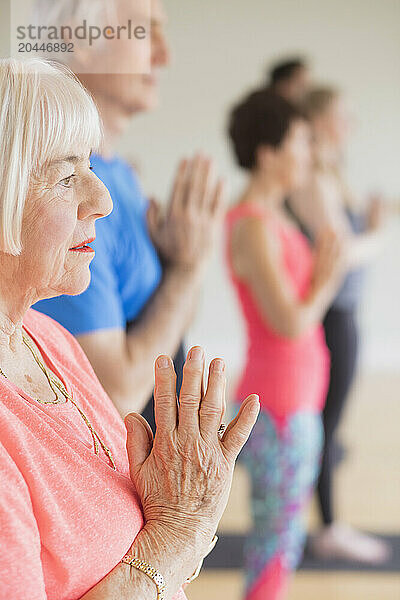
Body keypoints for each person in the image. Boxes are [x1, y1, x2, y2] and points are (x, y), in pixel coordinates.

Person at [0, 57, 260, 600]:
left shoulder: (49, 339)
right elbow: (159, 553)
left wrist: (172, 508)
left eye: (91, 167)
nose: (103, 200)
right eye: (66, 175)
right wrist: (177, 534)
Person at [33, 0, 222, 430]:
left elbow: (173, 325)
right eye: (145, 30)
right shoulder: (58, 193)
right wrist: (188, 270)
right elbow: (112, 396)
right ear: (79, 38)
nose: (165, 54)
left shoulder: (119, 176)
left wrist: (177, 261)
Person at [226, 89, 344, 600]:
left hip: (293, 402)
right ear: (268, 153)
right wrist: (326, 279)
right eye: (299, 141)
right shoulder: (252, 225)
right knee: (275, 545)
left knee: (281, 544)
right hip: (277, 408)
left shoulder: (270, 217)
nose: (308, 153)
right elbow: (290, 322)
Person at [289, 87, 390, 563]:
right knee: (327, 424)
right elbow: (342, 253)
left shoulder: (331, 175)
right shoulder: (313, 180)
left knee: (331, 424)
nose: (349, 123)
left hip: (343, 313)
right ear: (321, 121)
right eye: (341, 115)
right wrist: (380, 236)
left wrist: (371, 224)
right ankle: (327, 526)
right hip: (331, 316)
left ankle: (325, 521)